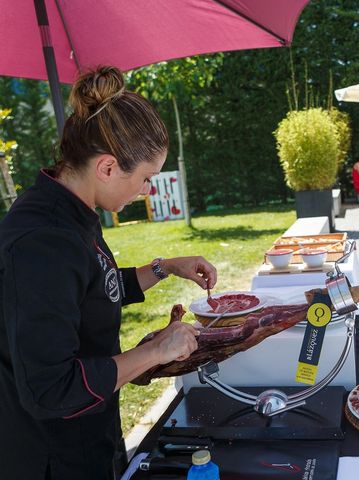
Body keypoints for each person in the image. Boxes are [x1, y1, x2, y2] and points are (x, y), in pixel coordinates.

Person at [0, 66, 217, 480]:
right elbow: (50, 389)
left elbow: (93, 285)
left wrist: (165, 268)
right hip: (53, 457)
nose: (146, 191)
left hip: (92, 433)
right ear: (107, 167)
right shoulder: (41, 239)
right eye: (145, 179)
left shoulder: (73, 209)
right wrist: (153, 353)